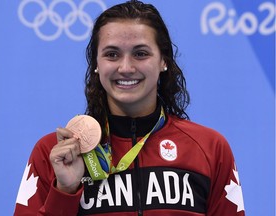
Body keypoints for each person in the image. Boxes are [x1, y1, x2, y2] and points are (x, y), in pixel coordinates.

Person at [14, 0, 245, 215]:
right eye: (112, 54)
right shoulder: (54, 153)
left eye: (140, 53)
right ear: (96, 63)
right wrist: (64, 191)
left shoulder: (210, 148)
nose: (125, 67)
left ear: (163, 60)